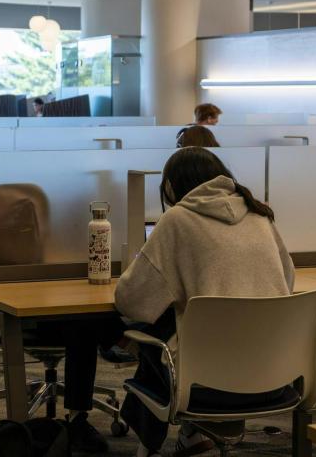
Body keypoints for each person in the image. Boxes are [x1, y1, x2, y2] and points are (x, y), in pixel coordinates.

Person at [115, 147, 295, 457]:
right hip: (276, 376)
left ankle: (150, 441)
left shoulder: (177, 220)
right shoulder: (260, 215)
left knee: (152, 330)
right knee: (179, 329)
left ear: (171, 187)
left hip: (209, 384)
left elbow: (132, 300)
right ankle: (190, 436)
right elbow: (287, 282)